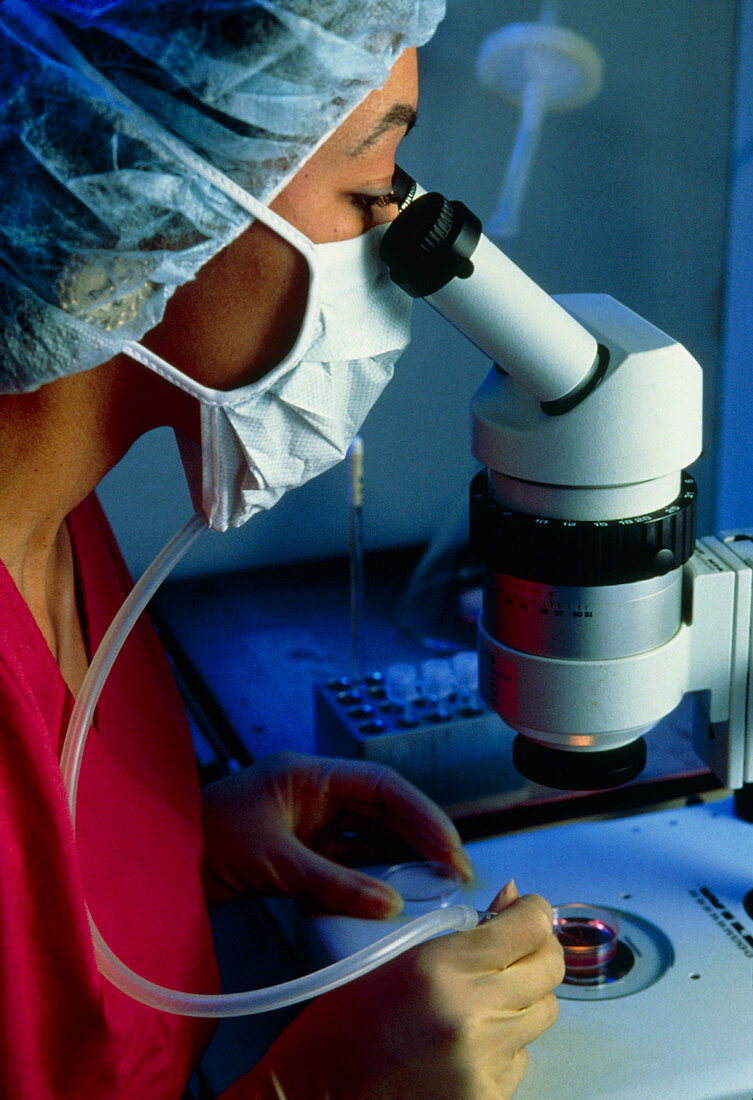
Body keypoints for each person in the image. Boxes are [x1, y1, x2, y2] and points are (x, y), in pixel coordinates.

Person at [0, 2, 564, 1097]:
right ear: (156, 198)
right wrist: (313, 1088)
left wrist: (181, 841)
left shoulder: (63, 522)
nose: (401, 250)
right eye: (370, 189)